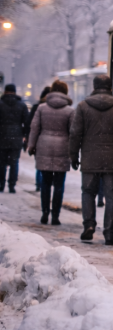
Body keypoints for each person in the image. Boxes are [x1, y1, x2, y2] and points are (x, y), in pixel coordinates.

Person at [69, 75, 113, 245]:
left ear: (94, 86)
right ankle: (109, 233)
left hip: (90, 158)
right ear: (110, 87)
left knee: (88, 192)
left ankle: (89, 225)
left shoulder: (83, 107)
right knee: (111, 196)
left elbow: (75, 133)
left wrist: (74, 155)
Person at [27, 80, 74, 225]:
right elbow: (73, 132)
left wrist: (31, 146)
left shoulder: (41, 108)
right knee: (59, 184)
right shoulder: (70, 111)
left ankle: (45, 212)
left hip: (44, 146)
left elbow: (34, 129)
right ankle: (55, 216)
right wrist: (73, 152)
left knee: (45, 183)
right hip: (62, 148)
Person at [0, 84, 30, 193]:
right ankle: (11, 186)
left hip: (2, 137)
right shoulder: (21, 105)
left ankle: (1, 184)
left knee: (2, 162)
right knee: (14, 162)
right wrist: (26, 136)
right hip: (16, 137)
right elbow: (27, 123)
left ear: (5, 91)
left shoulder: (1, 104)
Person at [28, 86, 51, 192]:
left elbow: (32, 126)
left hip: (40, 140)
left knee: (40, 163)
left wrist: (31, 144)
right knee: (50, 164)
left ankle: (40, 183)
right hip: (55, 143)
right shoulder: (62, 108)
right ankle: (46, 183)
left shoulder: (37, 107)